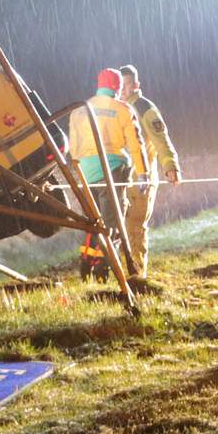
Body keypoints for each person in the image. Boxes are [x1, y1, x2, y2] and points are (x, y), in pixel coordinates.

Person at [67, 68, 148, 280]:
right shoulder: (123, 110)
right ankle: (103, 266)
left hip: (87, 172)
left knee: (94, 221)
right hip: (114, 169)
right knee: (113, 221)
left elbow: (73, 148)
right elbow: (135, 145)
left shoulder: (80, 110)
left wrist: (81, 171)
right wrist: (143, 173)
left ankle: (85, 264)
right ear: (118, 86)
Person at [117, 64, 182, 282]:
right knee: (120, 228)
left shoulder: (144, 108)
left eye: (127, 85)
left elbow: (161, 139)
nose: (123, 90)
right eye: (120, 85)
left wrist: (171, 165)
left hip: (142, 181)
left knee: (135, 227)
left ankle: (136, 278)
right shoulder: (117, 109)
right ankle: (123, 275)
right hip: (121, 181)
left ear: (136, 85)